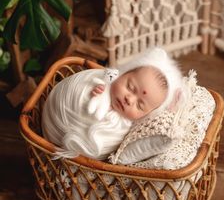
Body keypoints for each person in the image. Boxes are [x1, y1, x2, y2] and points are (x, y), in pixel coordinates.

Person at [41, 47, 183, 160]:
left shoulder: (127, 129)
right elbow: (106, 77)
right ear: (124, 73)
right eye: (130, 87)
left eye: (140, 105)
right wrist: (98, 92)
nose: (129, 99)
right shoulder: (106, 79)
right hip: (56, 119)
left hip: (77, 146)